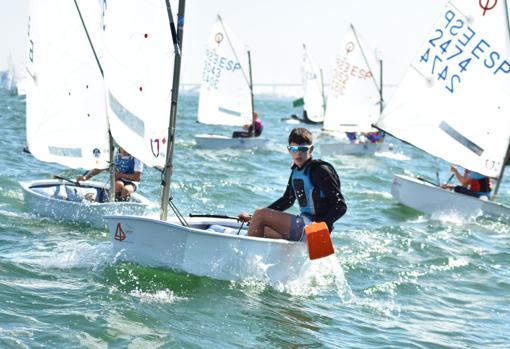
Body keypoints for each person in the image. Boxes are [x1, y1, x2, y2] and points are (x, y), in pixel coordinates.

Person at [237, 127, 347, 241]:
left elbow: (340, 205)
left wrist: (322, 226)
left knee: (260, 215)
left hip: (314, 230)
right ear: (289, 149)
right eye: (294, 149)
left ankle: (247, 255)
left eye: (303, 149)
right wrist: (252, 217)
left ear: (311, 149)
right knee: (260, 226)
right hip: (304, 223)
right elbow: (286, 200)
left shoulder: (320, 170)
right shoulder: (296, 171)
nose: (298, 153)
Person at [77, 146, 143, 201]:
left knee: (126, 190)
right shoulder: (114, 153)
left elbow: (137, 178)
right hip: (119, 180)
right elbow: (100, 168)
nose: (125, 151)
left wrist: (120, 175)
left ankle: (121, 208)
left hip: (131, 182)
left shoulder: (136, 156)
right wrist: (85, 177)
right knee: (118, 185)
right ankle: (114, 205)